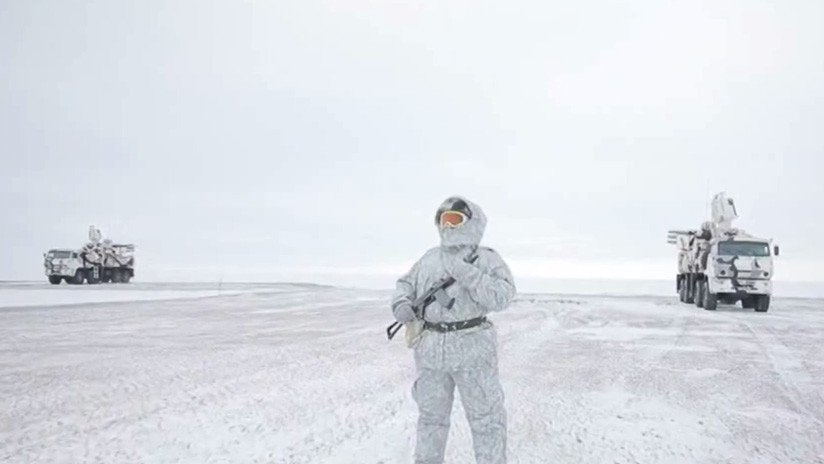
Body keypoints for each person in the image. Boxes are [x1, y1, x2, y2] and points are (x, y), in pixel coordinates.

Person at [391, 196, 516, 464]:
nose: (447, 226)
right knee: (430, 419)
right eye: (443, 220)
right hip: (431, 350)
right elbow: (405, 284)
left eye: (454, 219)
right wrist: (401, 303)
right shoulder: (429, 258)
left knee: (487, 419)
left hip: (473, 350)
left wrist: (470, 275)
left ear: (471, 222)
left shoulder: (486, 258)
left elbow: (503, 296)